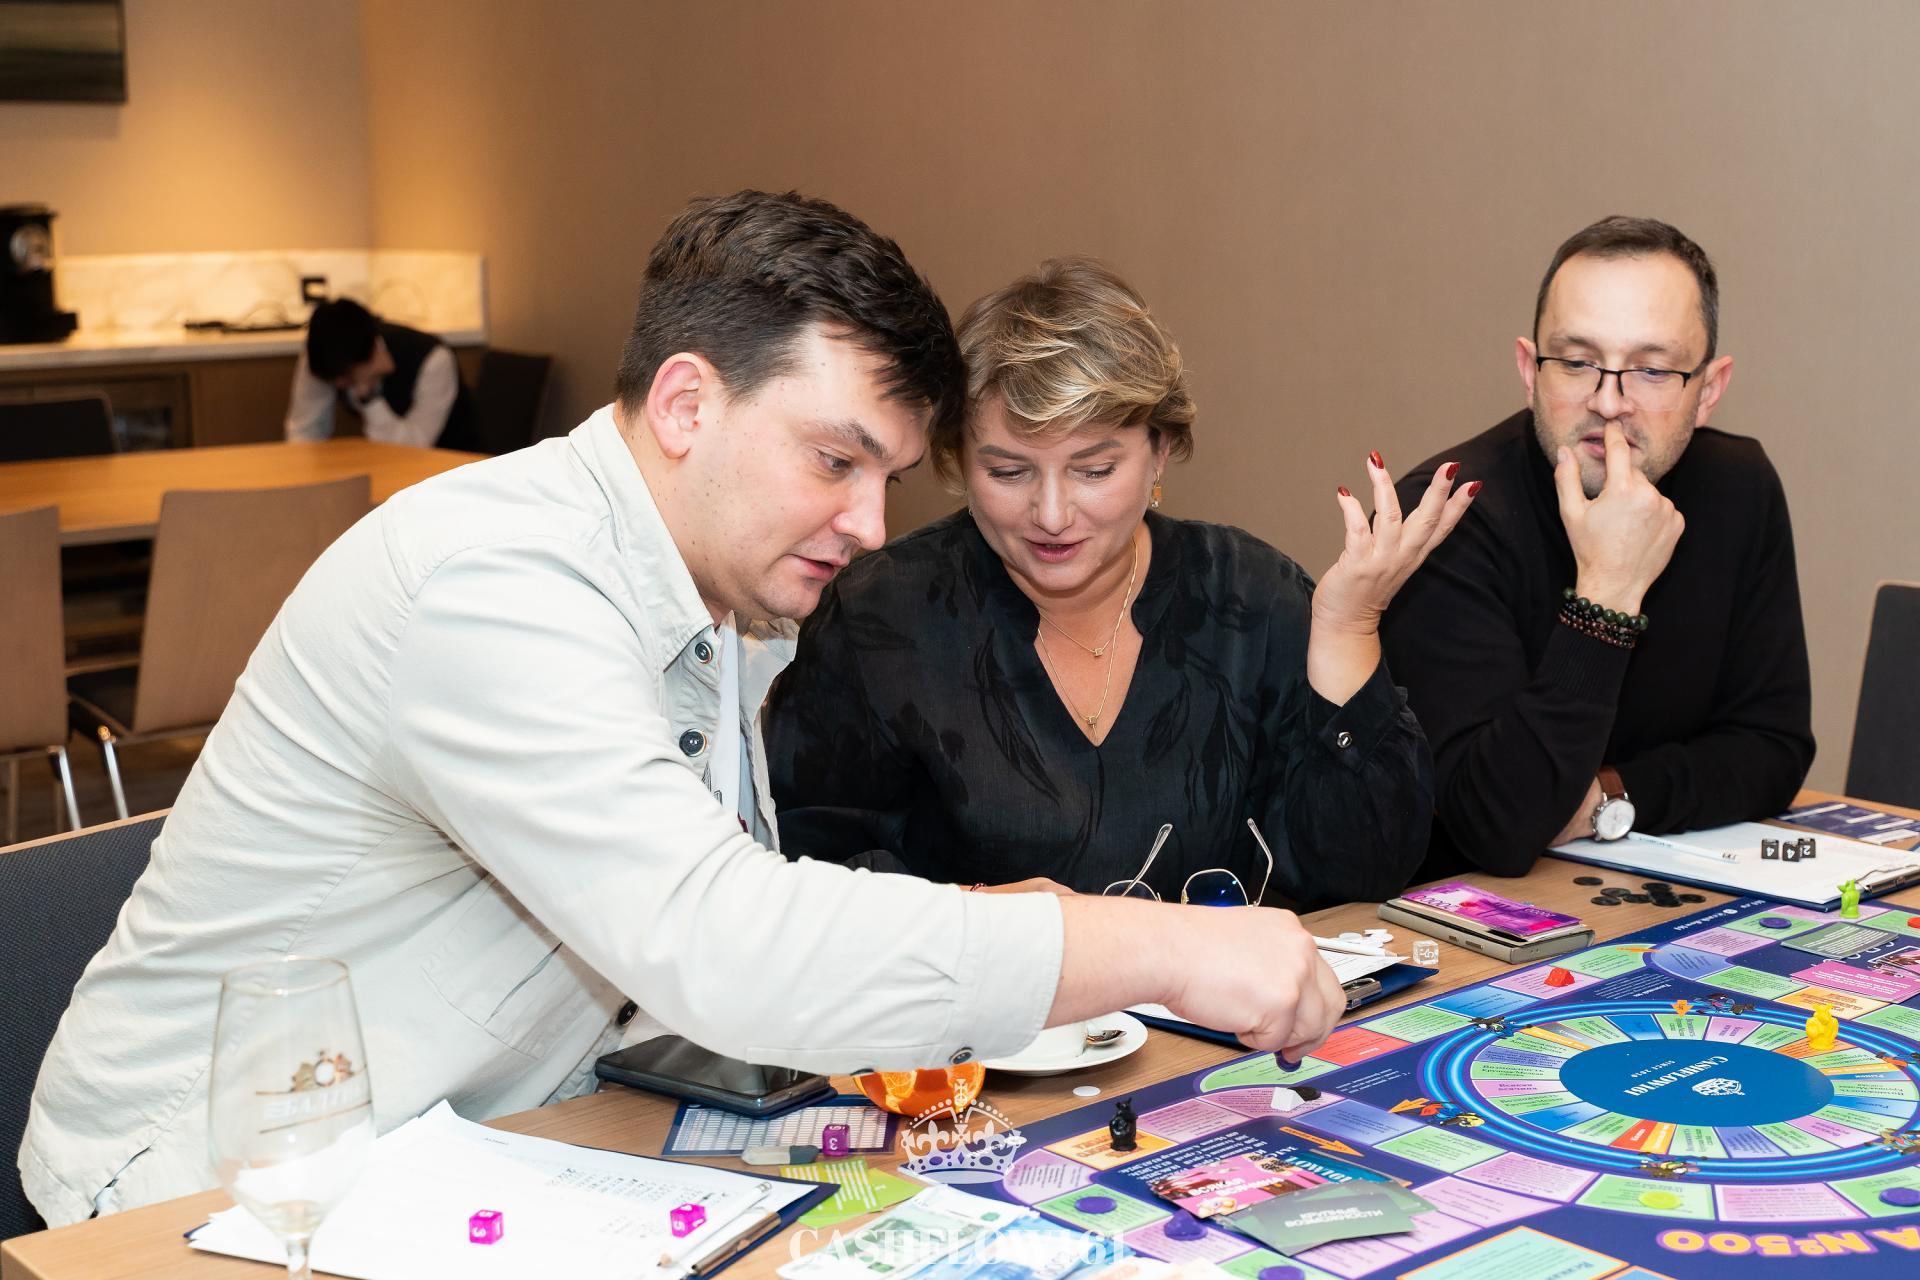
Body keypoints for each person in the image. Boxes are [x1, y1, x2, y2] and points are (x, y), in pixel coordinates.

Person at [22, 194, 1345, 1226]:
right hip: (215, 1190)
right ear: (686, 404)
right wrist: (1163, 947)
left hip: (499, 1140)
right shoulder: (495, 580)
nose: (869, 523)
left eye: (887, 478)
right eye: (835, 460)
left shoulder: (721, 591)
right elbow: (724, 942)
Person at [767, 258, 1473, 904]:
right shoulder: (880, 616)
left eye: (1094, 470)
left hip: (1218, 1005)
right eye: (1008, 471)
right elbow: (807, 873)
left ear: (1160, 452)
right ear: (956, 459)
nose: (1051, 515)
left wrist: (1348, 631)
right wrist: (977, 920)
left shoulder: (1248, 597)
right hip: (976, 1006)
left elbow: (1366, 870)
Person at [1381, 216, 1814, 880]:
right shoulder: (1448, 513)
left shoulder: (1739, 487)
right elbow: (1495, 825)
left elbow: (1772, 749)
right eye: (1577, 362)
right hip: (1464, 911)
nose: (1609, 402)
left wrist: (1607, 799)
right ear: (1529, 370)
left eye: (1652, 370)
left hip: (1647, 883)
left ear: (1709, 390)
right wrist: (1607, 595)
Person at [283, 297, 480, 450]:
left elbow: (414, 449)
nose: (339, 385)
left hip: (455, 464)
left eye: (347, 377)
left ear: (371, 354)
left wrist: (370, 398)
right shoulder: (322, 356)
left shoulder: (433, 359)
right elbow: (304, 432)